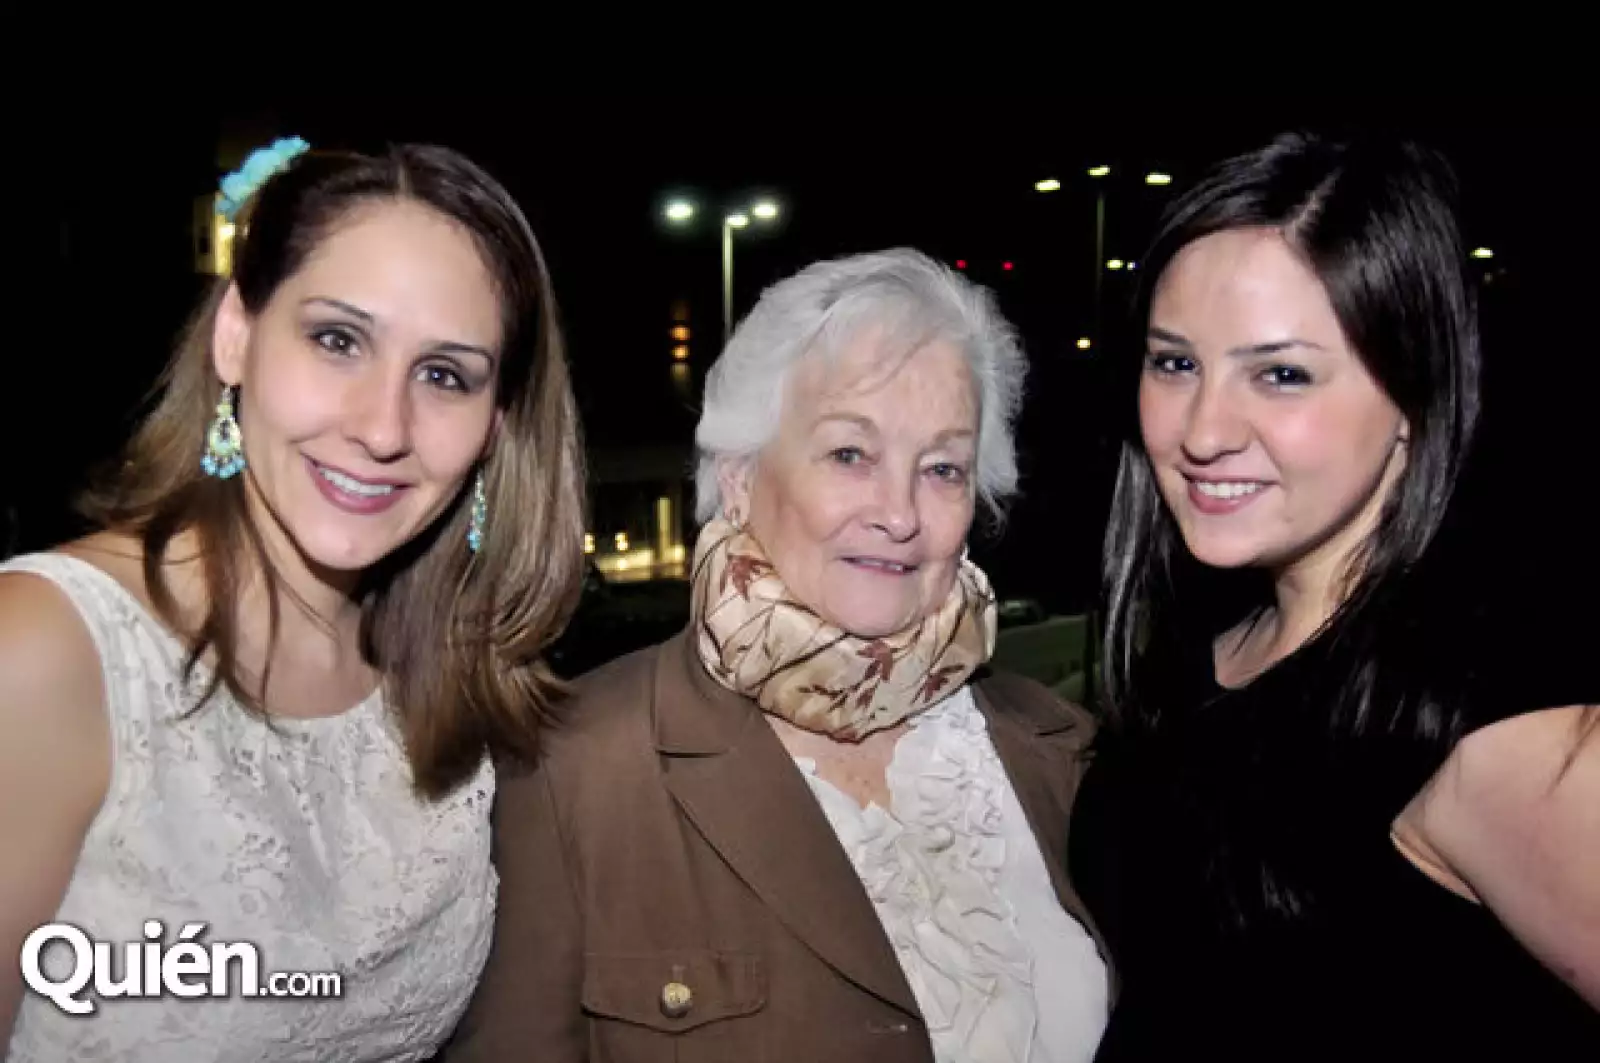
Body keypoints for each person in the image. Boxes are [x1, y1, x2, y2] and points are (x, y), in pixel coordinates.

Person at [0, 138, 587, 1061]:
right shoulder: (46, 652)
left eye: (444, 375)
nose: (382, 427)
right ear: (236, 334)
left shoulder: (448, 681)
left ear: (495, 425)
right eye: (337, 339)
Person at [449, 249, 1110, 1062]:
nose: (899, 513)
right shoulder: (570, 771)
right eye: (849, 454)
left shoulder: (1066, 755)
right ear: (739, 478)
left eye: (942, 468)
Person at [1070, 131, 1599, 1060]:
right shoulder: (1201, 658)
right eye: (1175, 363)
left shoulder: (1490, 722)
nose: (1203, 431)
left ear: (1414, 395)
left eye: (1281, 374)